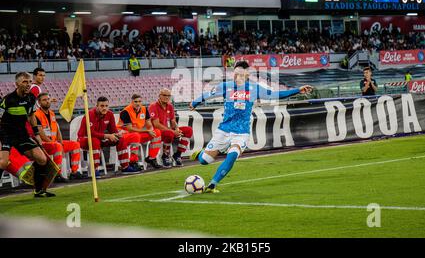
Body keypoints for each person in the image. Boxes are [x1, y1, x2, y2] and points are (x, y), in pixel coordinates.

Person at [189, 61, 313, 193]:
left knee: (232, 155)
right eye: (236, 72)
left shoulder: (255, 88)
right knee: (204, 160)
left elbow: (276, 94)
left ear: (247, 74)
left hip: (241, 132)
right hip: (223, 130)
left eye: (241, 73)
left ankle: (213, 184)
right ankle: (201, 153)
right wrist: (195, 102)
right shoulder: (225, 86)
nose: (237, 75)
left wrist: (298, 90)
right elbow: (208, 95)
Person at [0, 72, 56, 197]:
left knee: (42, 159)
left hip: (22, 135)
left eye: (30, 82)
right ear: (17, 83)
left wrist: (36, 134)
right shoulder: (7, 100)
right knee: (3, 163)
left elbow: (31, 117)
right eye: (25, 82)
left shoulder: (31, 98)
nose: (28, 84)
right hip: (6, 135)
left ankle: (39, 190)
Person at [77, 96, 142, 175]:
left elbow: (113, 130)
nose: (104, 108)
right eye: (102, 106)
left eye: (106, 106)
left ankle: (125, 167)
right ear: (97, 106)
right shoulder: (90, 114)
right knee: (95, 140)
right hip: (84, 139)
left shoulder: (110, 114)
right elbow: (90, 133)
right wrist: (107, 136)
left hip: (99, 139)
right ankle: (94, 170)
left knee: (120, 139)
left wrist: (117, 134)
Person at [35, 93, 83, 181]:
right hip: (43, 144)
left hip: (54, 143)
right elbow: (40, 133)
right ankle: (57, 174)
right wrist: (54, 143)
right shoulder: (37, 114)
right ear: (39, 102)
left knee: (75, 144)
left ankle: (74, 172)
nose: (47, 101)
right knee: (58, 146)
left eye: (48, 99)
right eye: (44, 100)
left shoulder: (52, 114)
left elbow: (57, 129)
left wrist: (60, 141)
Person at [148, 88, 193, 168]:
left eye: (169, 96)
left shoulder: (170, 106)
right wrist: (172, 131)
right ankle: (165, 156)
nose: (167, 97)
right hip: (157, 132)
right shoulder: (153, 106)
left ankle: (177, 155)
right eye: (164, 95)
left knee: (188, 130)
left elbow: (173, 121)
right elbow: (156, 124)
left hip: (167, 130)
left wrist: (177, 129)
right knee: (169, 133)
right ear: (159, 96)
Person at [117, 94, 162, 169]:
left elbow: (149, 125)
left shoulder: (144, 109)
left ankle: (151, 158)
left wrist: (150, 129)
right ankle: (133, 162)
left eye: (139, 101)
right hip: (124, 136)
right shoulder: (125, 112)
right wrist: (147, 130)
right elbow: (130, 129)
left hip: (137, 134)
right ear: (131, 102)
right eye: (135, 101)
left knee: (156, 132)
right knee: (135, 135)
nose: (138, 103)